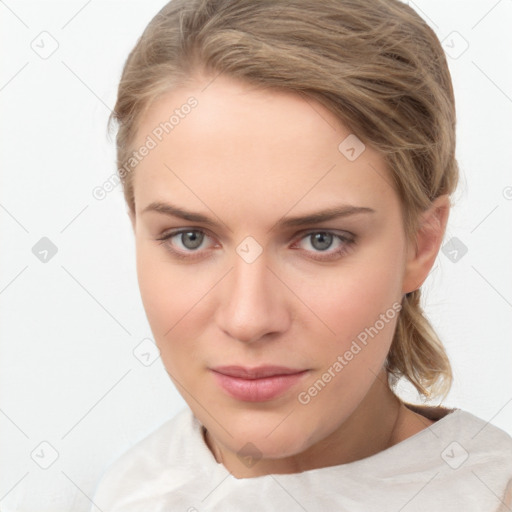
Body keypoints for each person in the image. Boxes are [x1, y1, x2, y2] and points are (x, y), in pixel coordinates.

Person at [91, 0, 512, 510]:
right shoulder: (127, 491)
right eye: (191, 238)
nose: (248, 319)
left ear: (420, 243)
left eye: (321, 240)